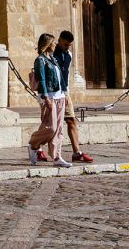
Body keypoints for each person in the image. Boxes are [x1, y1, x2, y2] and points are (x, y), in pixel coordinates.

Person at [44, 30, 93, 163]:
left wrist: (66, 93)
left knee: (71, 120)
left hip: (64, 93)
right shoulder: (51, 55)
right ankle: (35, 148)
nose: (67, 47)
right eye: (65, 44)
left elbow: (64, 76)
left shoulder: (69, 55)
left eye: (69, 45)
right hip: (52, 94)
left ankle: (77, 152)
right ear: (59, 41)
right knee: (50, 125)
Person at [28, 34, 71, 168]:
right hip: (49, 98)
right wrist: (46, 97)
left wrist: (66, 94)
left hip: (60, 97)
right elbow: (42, 80)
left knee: (58, 130)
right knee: (50, 128)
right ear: (48, 44)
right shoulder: (40, 60)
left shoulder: (53, 59)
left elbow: (61, 79)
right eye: (53, 43)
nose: (55, 45)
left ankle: (57, 157)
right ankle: (33, 144)